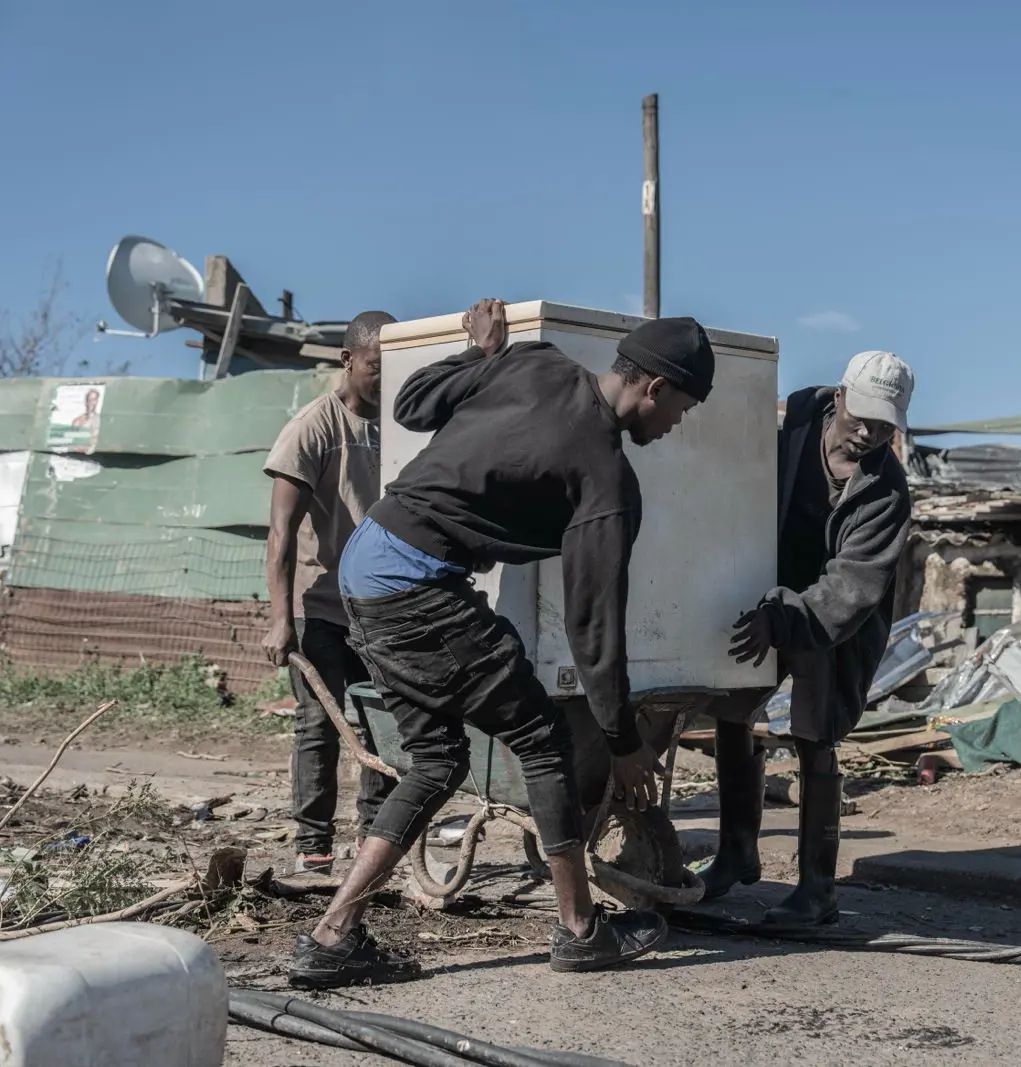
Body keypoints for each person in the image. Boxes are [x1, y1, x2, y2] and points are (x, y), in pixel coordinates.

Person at [288, 298, 716, 987]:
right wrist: (623, 739)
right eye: (683, 409)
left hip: (366, 565)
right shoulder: (606, 477)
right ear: (654, 387)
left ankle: (332, 934)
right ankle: (580, 930)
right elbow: (594, 627)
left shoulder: (534, 363)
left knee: (434, 760)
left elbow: (412, 404)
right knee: (543, 737)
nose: (676, 425)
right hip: (413, 584)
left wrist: (480, 354)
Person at [708, 350, 915, 928]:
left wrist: (792, 617)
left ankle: (817, 888)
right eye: (862, 416)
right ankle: (735, 854)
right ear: (840, 397)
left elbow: (853, 585)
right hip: (765, 592)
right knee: (732, 708)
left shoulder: (886, 492)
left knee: (815, 734)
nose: (868, 433)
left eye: (884, 424)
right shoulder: (798, 420)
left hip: (832, 622)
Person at [262, 310, 398, 875]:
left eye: (394, 368)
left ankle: (375, 838)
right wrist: (279, 619)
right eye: (374, 367)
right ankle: (313, 846)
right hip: (324, 609)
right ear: (348, 359)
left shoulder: (402, 426)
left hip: (386, 609)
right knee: (319, 724)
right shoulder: (314, 428)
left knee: (382, 721)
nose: (384, 379)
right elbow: (280, 533)